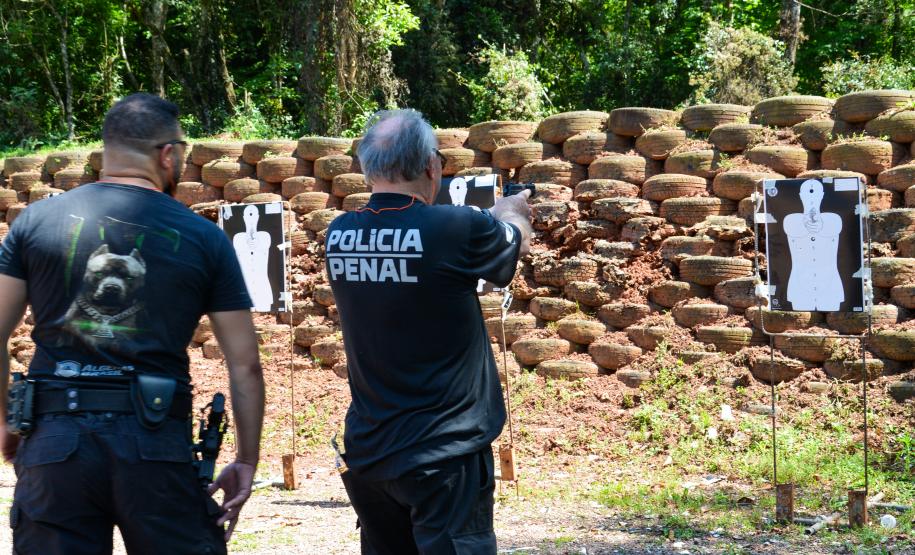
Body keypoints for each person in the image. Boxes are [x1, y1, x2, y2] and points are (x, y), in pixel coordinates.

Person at [0, 93, 265, 555]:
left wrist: (3, 420)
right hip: (154, 441)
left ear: (107, 150)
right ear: (168, 155)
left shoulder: (34, 222)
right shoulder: (203, 237)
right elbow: (244, 365)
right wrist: (245, 458)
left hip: (55, 441)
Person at [326, 109, 532, 554]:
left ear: (366, 168)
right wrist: (512, 210)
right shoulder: (457, 226)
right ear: (430, 166)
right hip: (444, 456)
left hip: (370, 451)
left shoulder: (339, 232)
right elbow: (507, 255)